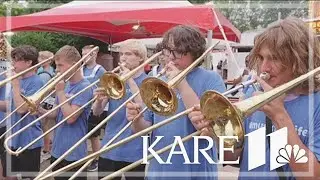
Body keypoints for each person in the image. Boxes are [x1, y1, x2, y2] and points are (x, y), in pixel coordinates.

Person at [188, 17, 320, 179]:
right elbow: (235, 157)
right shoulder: (254, 94)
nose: (264, 67)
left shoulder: (316, 104)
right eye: (262, 58)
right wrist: (214, 133)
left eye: (274, 58)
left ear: (299, 59)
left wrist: (280, 117)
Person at [126, 25, 226, 179]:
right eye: (168, 50)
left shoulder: (211, 79)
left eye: (178, 51)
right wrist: (136, 119)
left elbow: (213, 127)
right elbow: (145, 129)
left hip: (196, 171)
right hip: (158, 171)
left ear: (194, 52)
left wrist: (181, 83)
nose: (171, 57)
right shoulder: (158, 81)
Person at [93, 39, 148, 180]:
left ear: (140, 57)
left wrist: (129, 79)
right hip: (109, 147)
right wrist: (99, 101)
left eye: (128, 54)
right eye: (121, 54)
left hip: (135, 150)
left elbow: (144, 110)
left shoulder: (149, 82)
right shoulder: (114, 79)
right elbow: (96, 112)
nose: (123, 58)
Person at [38, 45, 93, 180]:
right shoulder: (65, 84)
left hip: (74, 153)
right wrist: (38, 109)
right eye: (56, 66)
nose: (57, 70)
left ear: (74, 65)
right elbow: (56, 114)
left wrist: (61, 92)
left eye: (60, 65)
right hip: (58, 149)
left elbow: (70, 118)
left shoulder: (85, 87)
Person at [0, 45, 44, 179]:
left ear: (29, 62)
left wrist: (15, 85)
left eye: (16, 60)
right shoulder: (17, 80)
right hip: (12, 138)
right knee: (8, 176)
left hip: (29, 140)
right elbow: (10, 106)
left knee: (27, 177)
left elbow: (21, 110)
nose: (13, 63)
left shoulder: (37, 82)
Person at [81, 45, 106, 172]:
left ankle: (97, 158)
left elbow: (104, 87)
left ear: (95, 54)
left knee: (94, 135)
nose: (85, 57)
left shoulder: (100, 70)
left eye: (88, 54)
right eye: (83, 54)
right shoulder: (81, 69)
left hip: (93, 106)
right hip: (82, 106)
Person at [37, 50, 56, 163]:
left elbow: (42, 91)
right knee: (45, 126)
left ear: (48, 61)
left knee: (45, 127)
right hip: (48, 101)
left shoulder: (45, 74)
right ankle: (47, 147)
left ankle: (46, 150)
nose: (39, 60)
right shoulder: (44, 70)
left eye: (41, 58)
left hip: (46, 102)